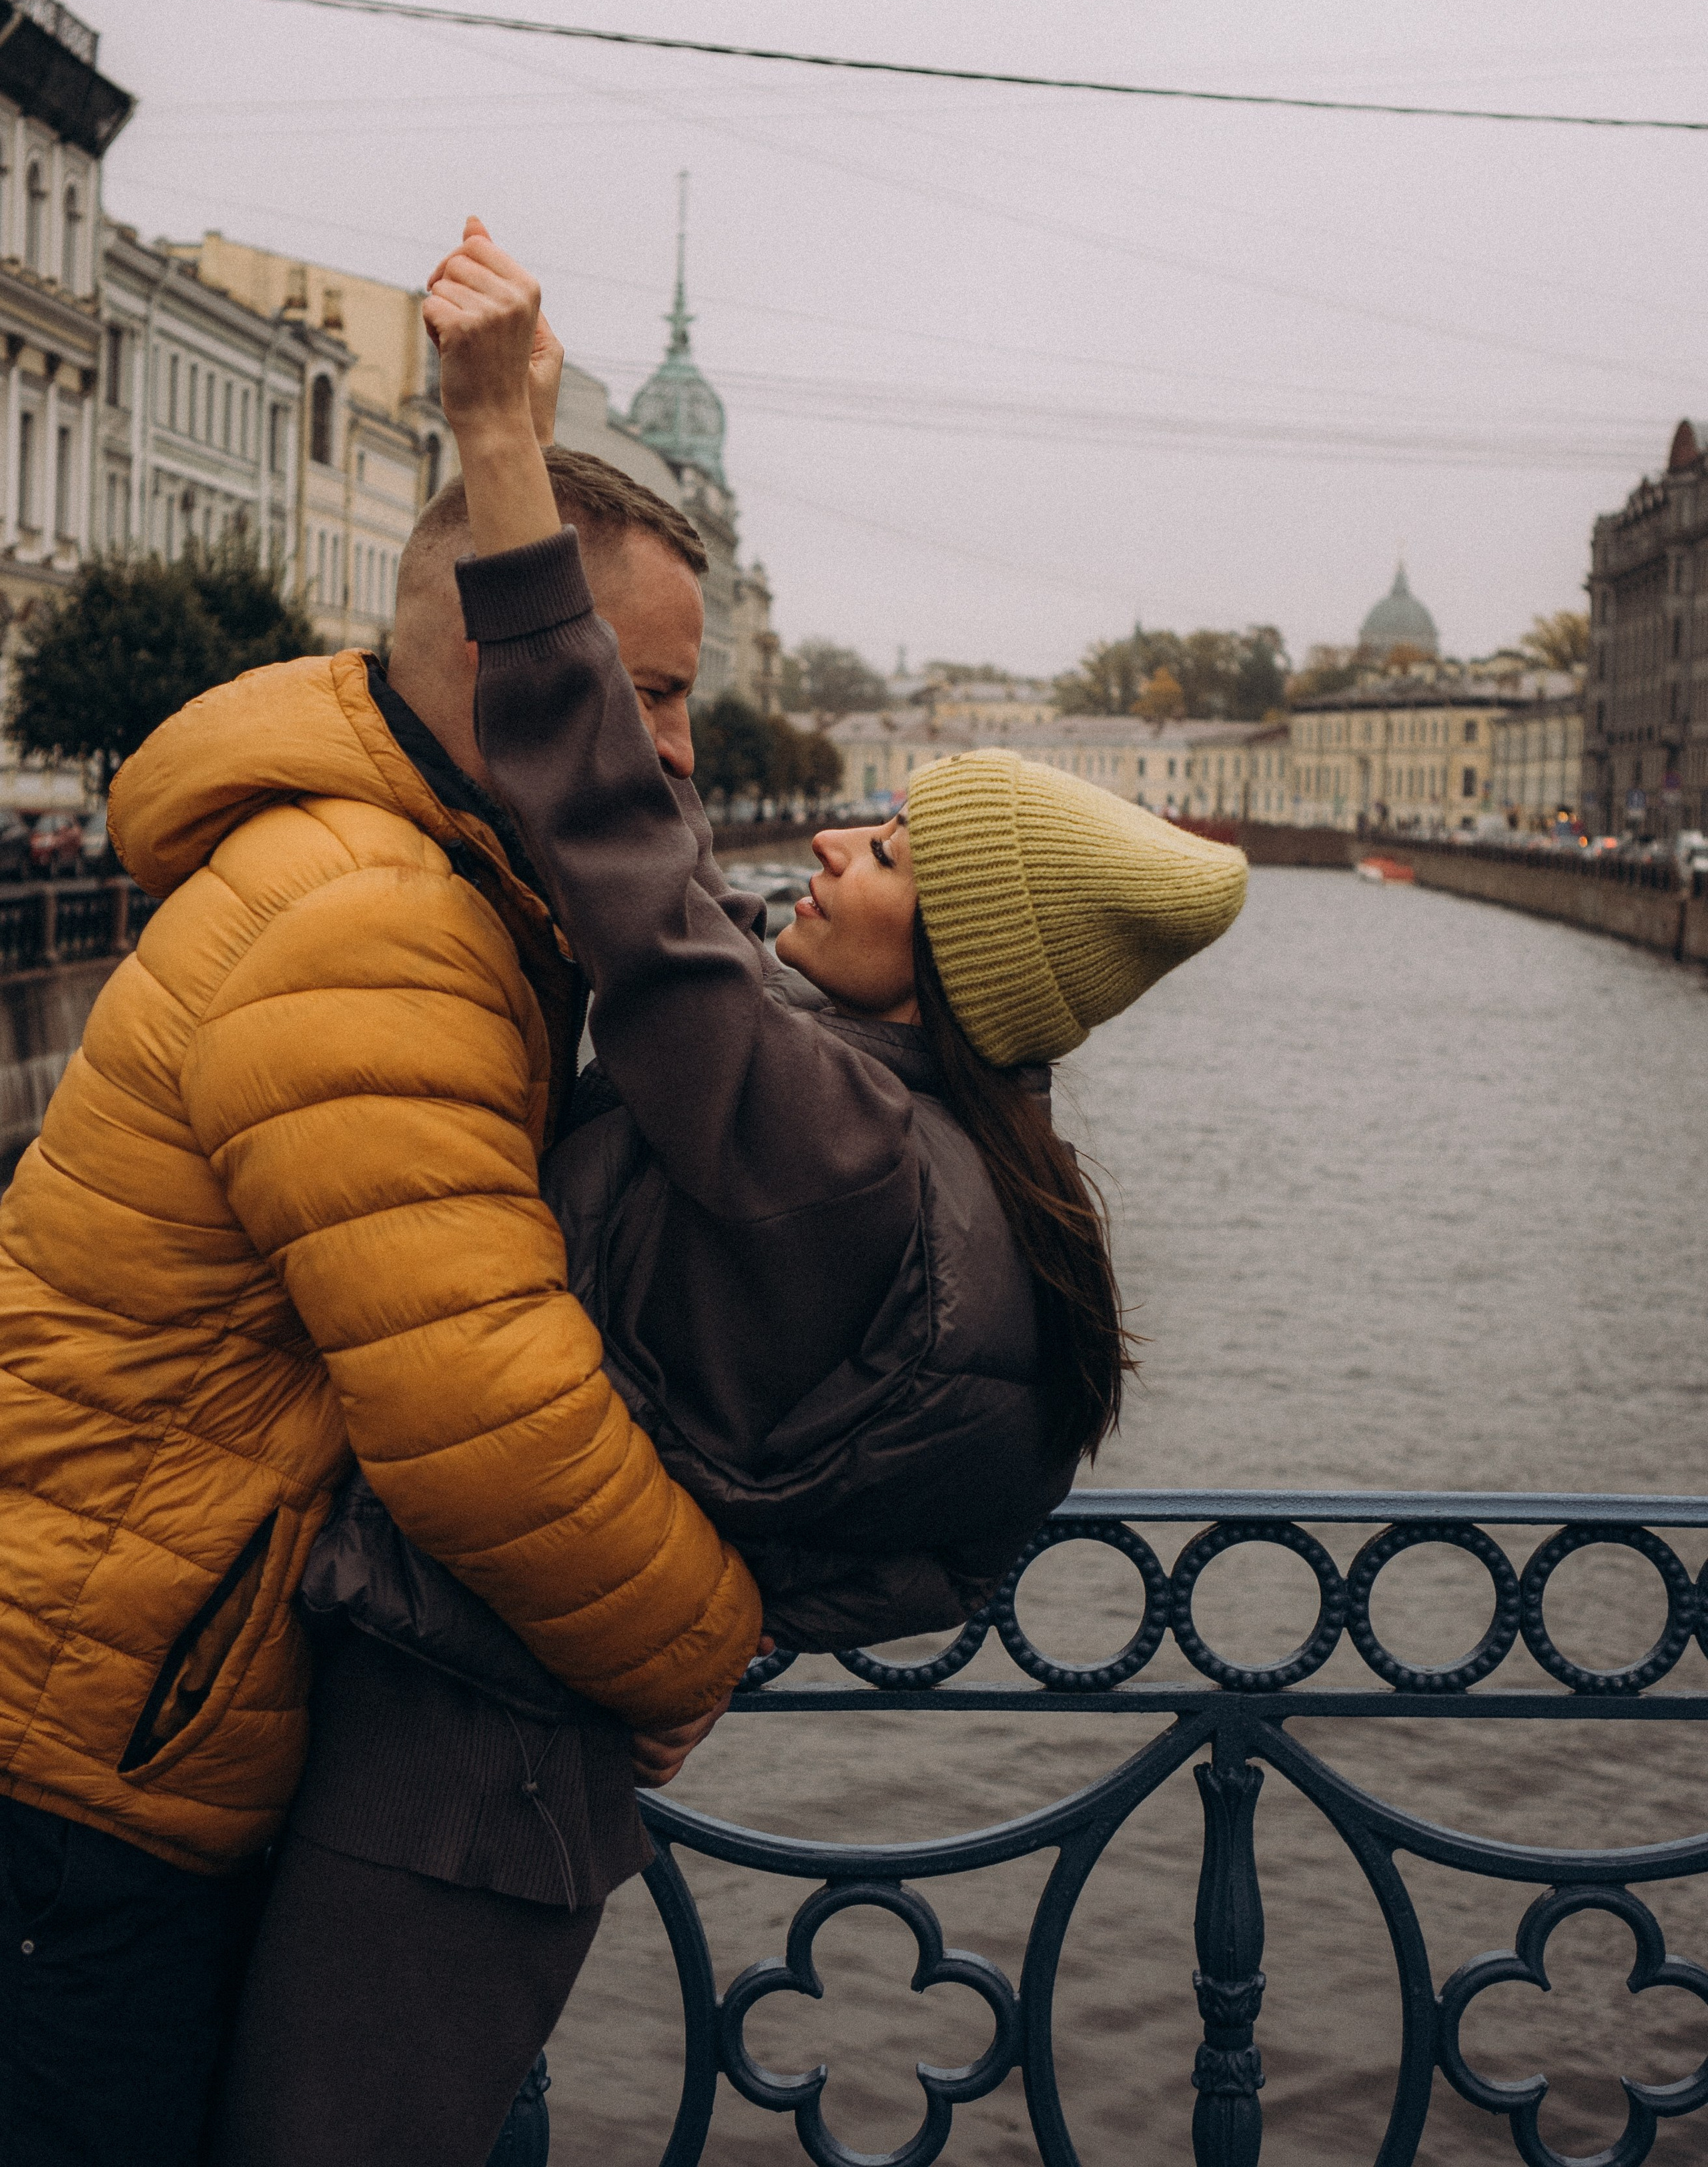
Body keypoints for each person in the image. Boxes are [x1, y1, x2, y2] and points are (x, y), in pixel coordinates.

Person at [294, 221, 1247, 2162]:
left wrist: (502, 455)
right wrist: (719, 1617)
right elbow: (924, 1523)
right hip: (512, 1756)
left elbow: (621, 854)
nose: (824, 839)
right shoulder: (942, 1161)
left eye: (887, 851)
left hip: (447, 1766)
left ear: (956, 957)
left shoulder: (826, 1143)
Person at [0, 282, 761, 2167]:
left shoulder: (420, 879)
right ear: (518, 666)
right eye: (653, 692)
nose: (679, 749)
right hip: (76, 1749)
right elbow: (483, 1417)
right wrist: (699, 1644)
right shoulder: (382, 925)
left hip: (105, 1692)